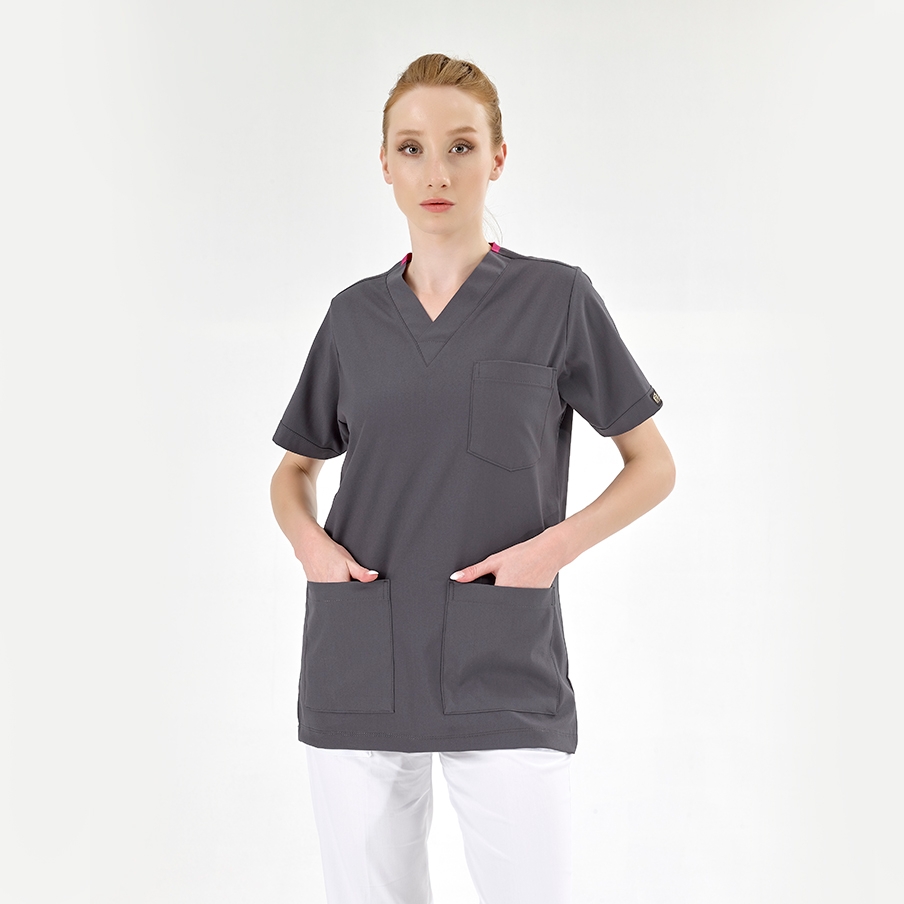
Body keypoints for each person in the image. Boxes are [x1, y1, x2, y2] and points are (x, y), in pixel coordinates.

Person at [270, 52, 676, 904]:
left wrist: (550, 551)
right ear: (385, 166)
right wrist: (310, 547)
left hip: (504, 656)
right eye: (411, 149)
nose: (437, 172)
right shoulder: (351, 317)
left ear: (497, 157)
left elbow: (652, 464)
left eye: (461, 146)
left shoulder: (556, 299)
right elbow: (296, 468)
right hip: (361, 654)